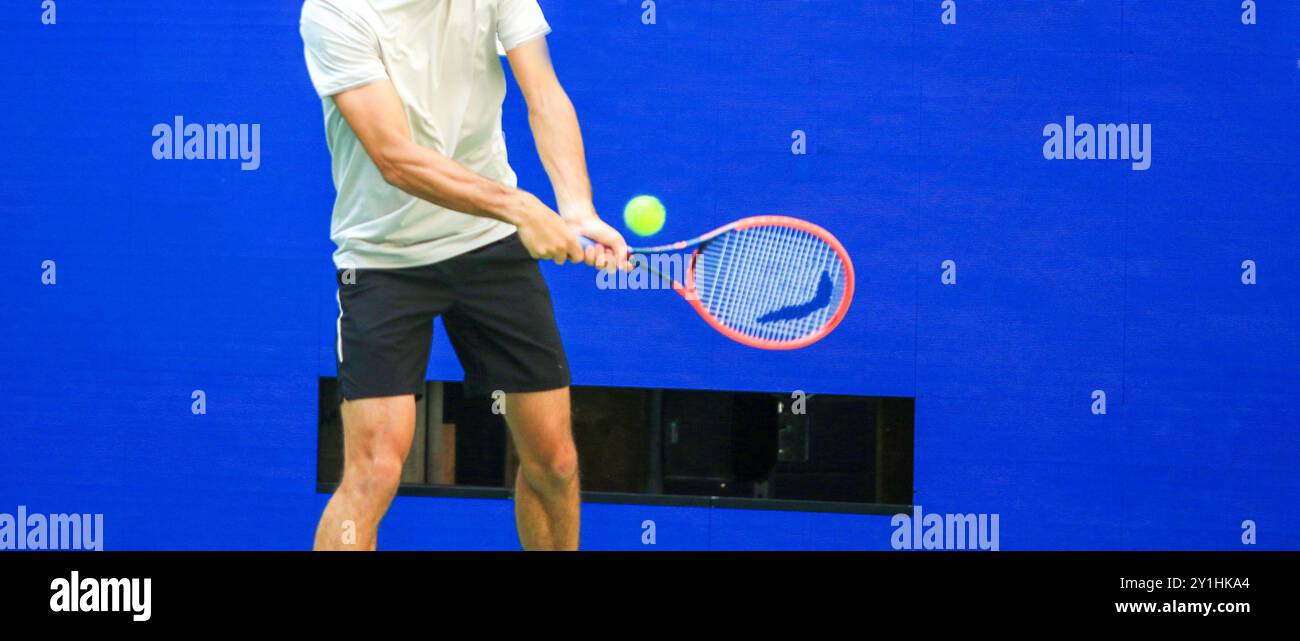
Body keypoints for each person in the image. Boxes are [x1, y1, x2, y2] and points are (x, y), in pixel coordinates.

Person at [299, 0, 628, 551]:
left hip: (488, 245)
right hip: (385, 257)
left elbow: (542, 92)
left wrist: (576, 207)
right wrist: (522, 208)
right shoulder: (335, 12)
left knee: (554, 460)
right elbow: (395, 158)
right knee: (375, 469)